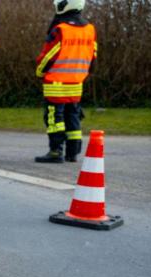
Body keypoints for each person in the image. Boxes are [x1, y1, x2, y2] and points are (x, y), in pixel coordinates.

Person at [34, 0, 97, 163]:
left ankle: (55, 151)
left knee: (55, 118)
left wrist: (40, 72)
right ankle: (72, 153)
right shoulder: (90, 29)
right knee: (73, 116)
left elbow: (48, 56)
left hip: (56, 83)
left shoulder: (60, 30)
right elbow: (93, 57)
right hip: (76, 83)